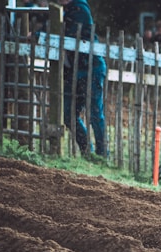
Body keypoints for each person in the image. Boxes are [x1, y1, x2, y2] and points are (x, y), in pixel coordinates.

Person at [59, 0, 107, 158]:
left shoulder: (80, 9)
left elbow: (67, 33)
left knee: (95, 114)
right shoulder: (65, 11)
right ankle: (87, 149)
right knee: (68, 114)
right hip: (75, 70)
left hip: (92, 68)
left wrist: (42, 33)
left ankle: (102, 154)